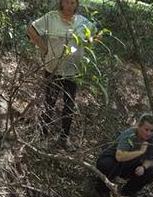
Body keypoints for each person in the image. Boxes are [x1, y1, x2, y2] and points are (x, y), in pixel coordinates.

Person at [27, 0, 95, 150]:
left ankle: (64, 138)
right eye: (67, 2)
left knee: (69, 105)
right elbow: (31, 29)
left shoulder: (83, 22)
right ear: (61, 3)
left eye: (73, 2)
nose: (70, 5)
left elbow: (93, 37)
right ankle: (43, 136)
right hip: (53, 69)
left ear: (77, 4)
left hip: (73, 71)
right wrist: (44, 48)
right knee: (49, 103)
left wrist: (88, 42)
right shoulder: (51, 18)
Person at [95, 113, 153, 197]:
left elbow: (150, 159)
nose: (148, 133)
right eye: (146, 129)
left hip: (129, 165)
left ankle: (127, 193)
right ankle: (102, 189)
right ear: (139, 126)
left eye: (151, 131)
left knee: (152, 171)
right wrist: (140, 152)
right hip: (112, 159)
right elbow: (119, 156)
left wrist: (143, 167)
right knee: (108, 165)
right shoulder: (130, 135)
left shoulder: (152, 139)